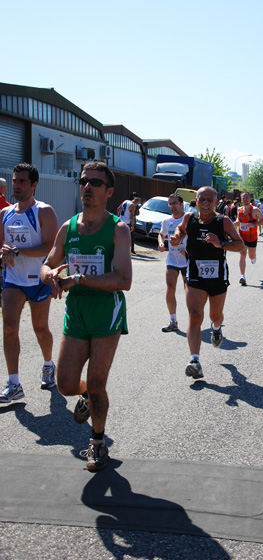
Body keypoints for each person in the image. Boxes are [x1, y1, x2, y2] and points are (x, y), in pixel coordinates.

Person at [41, 161, 132, 471]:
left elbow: (124, 280)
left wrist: (78, 279)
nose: (87, 187)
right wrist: (48, 274)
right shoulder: (68, 227)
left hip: (107, 310)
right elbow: (48, 263)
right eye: (83, 181)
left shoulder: (118, 228)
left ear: (108, 192)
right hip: (77, 311)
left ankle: (97, 443)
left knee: (96, 382)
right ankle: (86, 400)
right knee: (65, 383)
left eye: (95, 182)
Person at [170, 186, 244, 379]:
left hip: (218, 276)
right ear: (196, 199)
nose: (205, 203)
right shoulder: (189, 218)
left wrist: (222, 244)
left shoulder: (223, 221)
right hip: (194, 275)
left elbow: (240, 245)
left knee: (215, 315)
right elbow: (181, 229)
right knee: (195, 316)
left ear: (215, 201)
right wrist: (178, 237)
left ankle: (217, 328)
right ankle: (195, 360)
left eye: (209, 200)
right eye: (201, 199)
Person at [0, 163, 59, 403]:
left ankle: (48, 364)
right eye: (14, 181)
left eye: (22, 181)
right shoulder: (5, 214)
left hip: (39, 280)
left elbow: (50, 247)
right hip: (13, 280)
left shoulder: (44, 211)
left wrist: (17, 251)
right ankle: (14, 383)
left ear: (34, 184)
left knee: (40, 328)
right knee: (9, 327)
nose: (17, 186)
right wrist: (4, 252)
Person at [158, 194, 187, 332]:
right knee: (170, 287)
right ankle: (173, 320)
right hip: (172, 259)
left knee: (190, 292)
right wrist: (160, 243)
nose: (172, 206)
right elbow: (161, 234)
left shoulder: (188, 219)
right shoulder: (166, 221)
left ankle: (195, 318)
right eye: (170, 204)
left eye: (175, 203)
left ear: (182, 205)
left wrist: (188, 251)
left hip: (188, 260)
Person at [237, 192, 263, 286]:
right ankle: (242, 276)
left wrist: (254, 224)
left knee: (251, 256)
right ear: (241, 200)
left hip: (252, 237)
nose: (245, 199)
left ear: (250, 199)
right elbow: (238, 221)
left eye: (246, 198)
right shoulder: (239, 210)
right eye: (243, 198)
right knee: (242, 254)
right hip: (242, 236)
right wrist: (234, 224)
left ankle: (253, 257)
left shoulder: (255, 210)